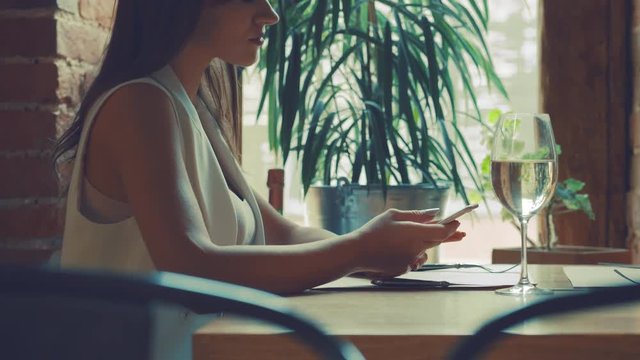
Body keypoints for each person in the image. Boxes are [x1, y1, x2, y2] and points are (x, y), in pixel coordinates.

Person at [54, 0, 466, 296]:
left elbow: (280, 232)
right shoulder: (139, 104)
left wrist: (377, 249)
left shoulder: (191, 107)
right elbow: (191, 265)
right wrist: (360, 251)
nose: (270, 14)